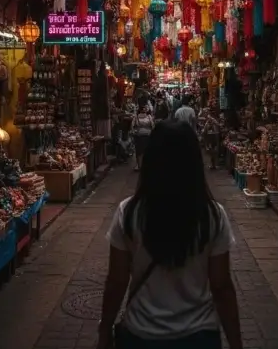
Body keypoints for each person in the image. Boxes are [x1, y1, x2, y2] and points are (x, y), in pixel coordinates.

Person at [98, 121, 242, 349]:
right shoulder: (212, 216)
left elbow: (116, 281)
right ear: (195, 163)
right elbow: (221, 286)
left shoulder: (129, 212)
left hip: (141, 335)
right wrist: (236, 342)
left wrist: (104, 330)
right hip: (199, 336)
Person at [131, 106, 154, 171]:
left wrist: (134, 132)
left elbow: (132, 127)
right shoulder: (149, 117)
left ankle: (139, 165)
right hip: (148, 135)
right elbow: (152, 126)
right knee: (147, 151)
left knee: (139, 152)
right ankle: (146, 165)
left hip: (139, 136)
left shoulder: (136, 117)